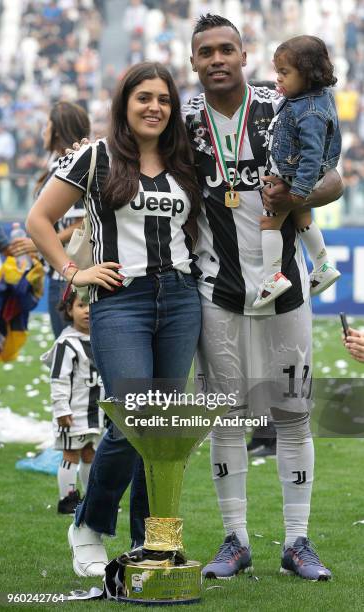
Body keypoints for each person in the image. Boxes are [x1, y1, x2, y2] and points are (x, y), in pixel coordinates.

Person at [26, 62, 202, 577]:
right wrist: (72, 271)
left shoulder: (184, 159)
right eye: (144, 97)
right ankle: (88, 523)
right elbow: (39, 219)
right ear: (124, 103)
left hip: (180, 297)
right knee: (132, 422)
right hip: (120, 300)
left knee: (163, 430)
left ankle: (152, 544)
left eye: (164, 100)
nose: (155, 107)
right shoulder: (96, 156)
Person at [183, 14, 342, 581]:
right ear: (194, 62)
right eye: (207, 52)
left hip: (286, 289)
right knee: (225, 418)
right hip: (217, 290)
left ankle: (298, 541)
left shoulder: (283, 106)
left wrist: (296, 193)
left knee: (294, 415)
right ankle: (236, 540)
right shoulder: (184, 121)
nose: (218, 59)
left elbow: (336, 181)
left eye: (228, 49)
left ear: (245, 55)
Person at [253, 36, 341, 309]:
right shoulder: (310, 96)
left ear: (307, 74)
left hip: (291, 178)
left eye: (284, 73)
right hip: (296, 176)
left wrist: (296, 193)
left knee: (269, 223)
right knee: (303, 219)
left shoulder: (310, 110)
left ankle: (273, 276)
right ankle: (323, 264)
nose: (277, 78)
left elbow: (312, 154)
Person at [11, 102, 91, 338]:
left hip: (70, 274)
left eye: (46, 125)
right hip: (62, 272)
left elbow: (83, 220)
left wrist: (42, 241)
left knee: (73, 357)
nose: (42, 132)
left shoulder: (71, 164)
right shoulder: (62, 164)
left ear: (56, 129)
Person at [41, 290, 105, 514]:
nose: (87, 310)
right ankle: (67, 499)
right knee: (71, 453)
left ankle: (89, 500)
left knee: (90, 453)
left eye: (91, 305)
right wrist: (61, 410)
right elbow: (58, 379)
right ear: (69, 310)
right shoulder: (66, 344)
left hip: (94, 412)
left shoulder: (101, 339)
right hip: (73, 412)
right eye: (80, 305)